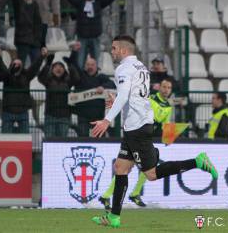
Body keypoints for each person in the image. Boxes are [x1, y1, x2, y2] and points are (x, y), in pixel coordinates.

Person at [91, 35, 218, 228]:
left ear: (124, 51)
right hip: (136, 124)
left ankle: (198, 162)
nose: (112, 51)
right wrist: (115, 99)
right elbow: (132, 94)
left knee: (151, 174)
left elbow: (125, 94)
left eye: (115, 48)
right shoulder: (141, 67)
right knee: (120, 167)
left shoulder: (123, 68)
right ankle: (114, 217)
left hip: (137, 127)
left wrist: (108, 119)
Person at [99, 78, 174, 209]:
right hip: (137, 133)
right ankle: (131, 194)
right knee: (142, 167)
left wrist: (168, 137)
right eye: (164, 87)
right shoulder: (149, 97)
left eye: (169, 88)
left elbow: (166, 124)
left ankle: (108, 196)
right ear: (159, 87)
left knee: (128, 167)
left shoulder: (168, 107)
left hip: (146, 137)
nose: (166, 90)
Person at [64, 0, 118, 69]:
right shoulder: (80, 3)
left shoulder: (99, 2)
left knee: (95, 60)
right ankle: (80, 79)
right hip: (82, 37)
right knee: (80, 60)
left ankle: (95, 77)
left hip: (95, 36)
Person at [1, 47, 48, 134]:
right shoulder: (7, 76)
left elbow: (35, 67)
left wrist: (41, 56)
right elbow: (2, 68)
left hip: (23, 112)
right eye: (15, 64)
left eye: (19, 64)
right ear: (11, 65)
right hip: (8, 111)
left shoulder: (26, 75)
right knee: (6, 139)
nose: (17, 66)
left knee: (24, 137)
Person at [38, 53, 80, 137]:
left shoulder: (68, 82)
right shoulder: (48, 81)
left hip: (64, 116)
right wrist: (48, 63)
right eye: (56, 67)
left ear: (64, 70)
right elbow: (41, 77)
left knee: (62, 141)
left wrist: (70, 64)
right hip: (50, 115)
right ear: (52, 69)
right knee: (49, 141)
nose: (58, 69)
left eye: (61, 67)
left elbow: (76, 78)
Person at [73, 56, 115, 137]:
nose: (90, 67)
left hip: (98, 116)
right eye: (88, 65)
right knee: (82, 140)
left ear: (96, 66)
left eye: (92, 65)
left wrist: (103, 87)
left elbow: (112, 84)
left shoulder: (101, 77)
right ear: (85, 66)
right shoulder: (80, 77)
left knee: (99, 140)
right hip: (82, 116)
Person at [10, 0, 43, 64]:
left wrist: (38, 39)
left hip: (34, 41)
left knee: (36, 64)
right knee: (20, 65)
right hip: (22, 40)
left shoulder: (34, 4)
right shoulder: (19, 4)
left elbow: (38, 23)